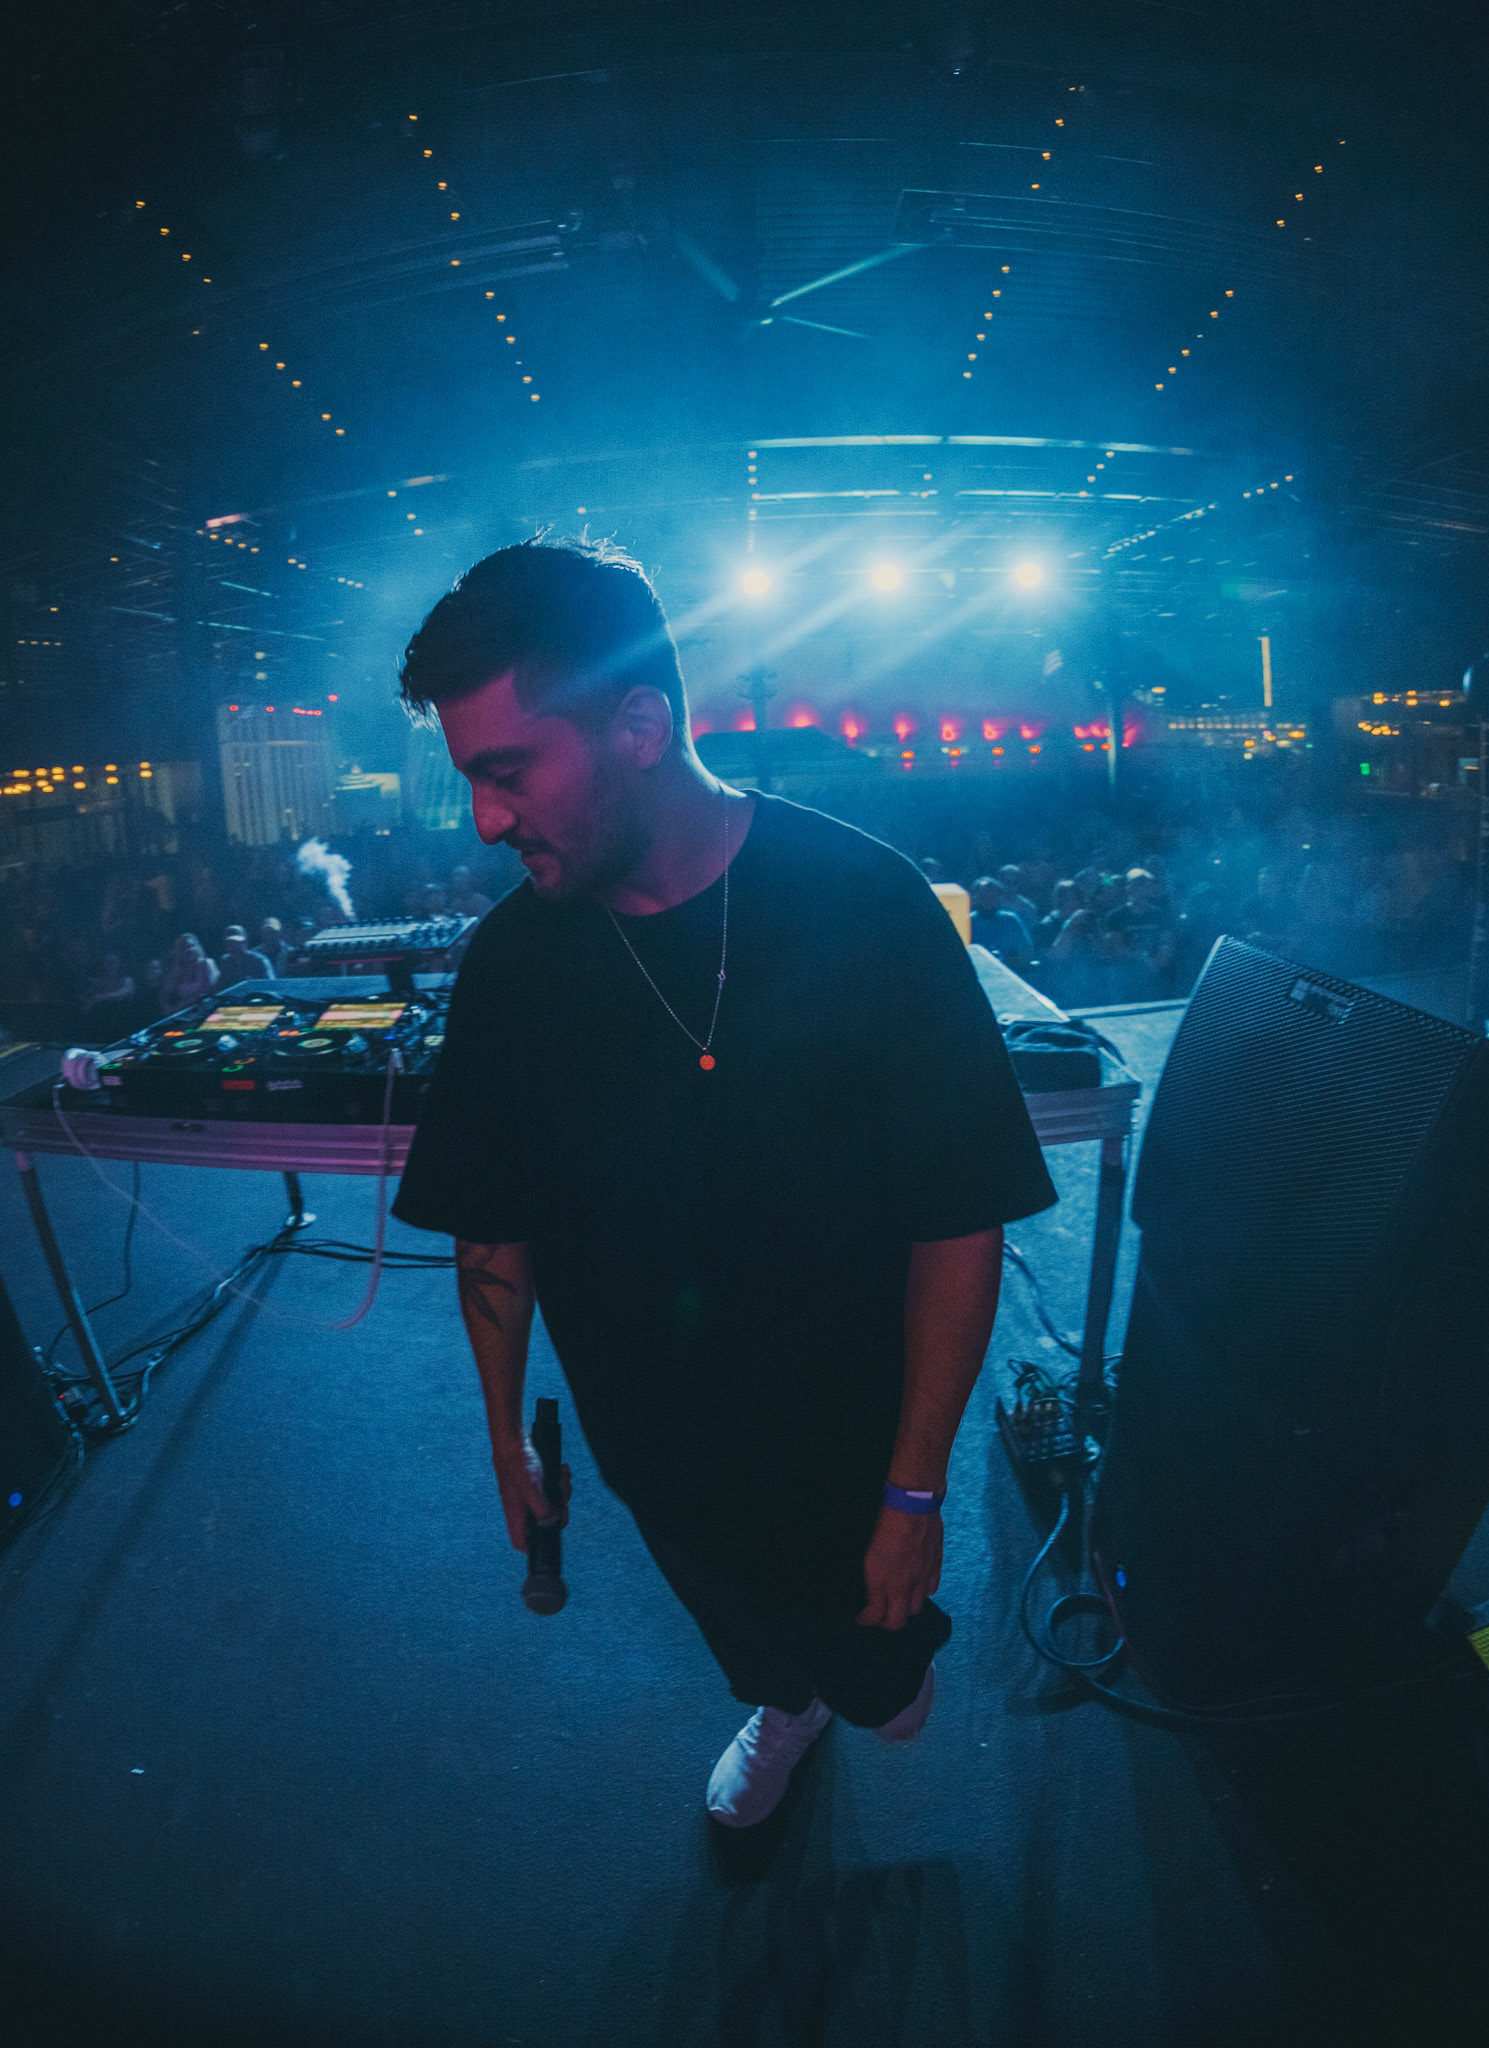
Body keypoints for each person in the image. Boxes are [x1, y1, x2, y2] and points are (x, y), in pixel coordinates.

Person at [390, 537, 1056, 1829]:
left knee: (883, 1680)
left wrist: (915, 1491)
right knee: (741, 1626)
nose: (484, 819)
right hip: (650, 1438)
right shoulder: (511, 964)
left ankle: (848, 1683)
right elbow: (492, 1218)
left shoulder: (867, 902)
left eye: (508, 771)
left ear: (639, 726)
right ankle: (780, 1701)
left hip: (850, 1432)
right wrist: (499, 1427)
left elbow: (956, 1217)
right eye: (469, 778)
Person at [158, 932, 220, 1014]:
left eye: (190, 946)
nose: (187, 950)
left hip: (213, 1009)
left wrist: (179, 1006)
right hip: (191, 1014)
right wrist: (167, 1008)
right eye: (182, 948)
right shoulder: (175, 971)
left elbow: (206, 990)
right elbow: (164, 995)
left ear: (197, 947)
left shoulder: (206, 963)